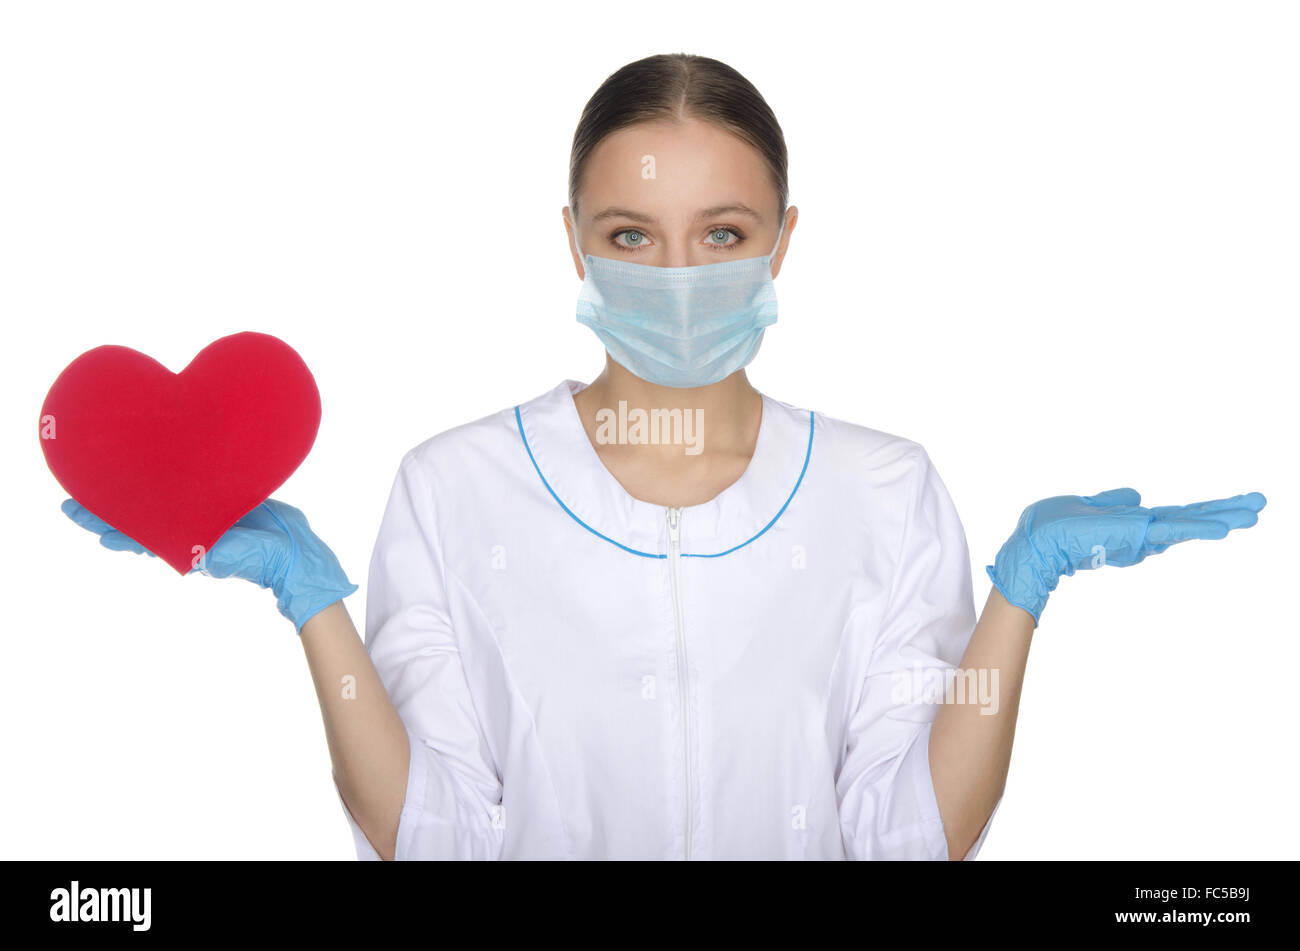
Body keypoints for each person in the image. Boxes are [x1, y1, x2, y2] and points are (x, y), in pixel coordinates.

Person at [63, 53, 1266, 861]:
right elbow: (436, 837)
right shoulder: (452, 485)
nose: (678, 277)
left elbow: (906, 837)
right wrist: (313, 607)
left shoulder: (885, 489)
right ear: (574, 245)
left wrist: (1019, 595)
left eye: (724, 234)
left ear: (784, 244)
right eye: (632, 234)